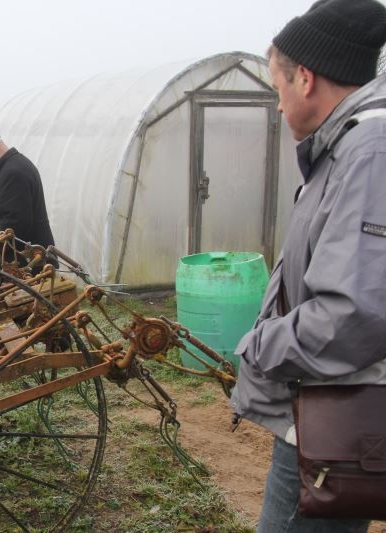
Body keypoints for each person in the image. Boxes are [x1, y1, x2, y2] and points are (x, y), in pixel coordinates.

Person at [229, 0, 386, 531]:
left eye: (276, 87)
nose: (276, 106)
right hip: (320, 410)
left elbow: (355, 313)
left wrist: (259, 346)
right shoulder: (345, 148)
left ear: (306, 78)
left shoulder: (369, 153)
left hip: (335, 421)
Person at [0, 126, 57, 272]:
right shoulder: (12, 167)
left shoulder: (14, 173)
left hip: (26, 265)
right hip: (23, 262)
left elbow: (15, 223)